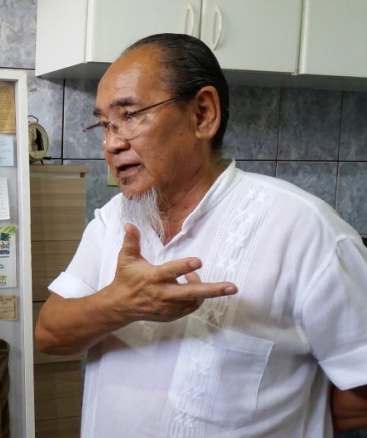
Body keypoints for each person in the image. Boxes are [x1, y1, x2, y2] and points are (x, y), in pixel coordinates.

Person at [34, 33, 367, 437]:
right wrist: (121, 303)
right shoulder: (113, 221)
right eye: (104, 124)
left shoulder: (303, 230)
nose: (111, 143)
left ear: (203, 114)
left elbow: (359, 389)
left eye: (131, 115)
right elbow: (50, 334)